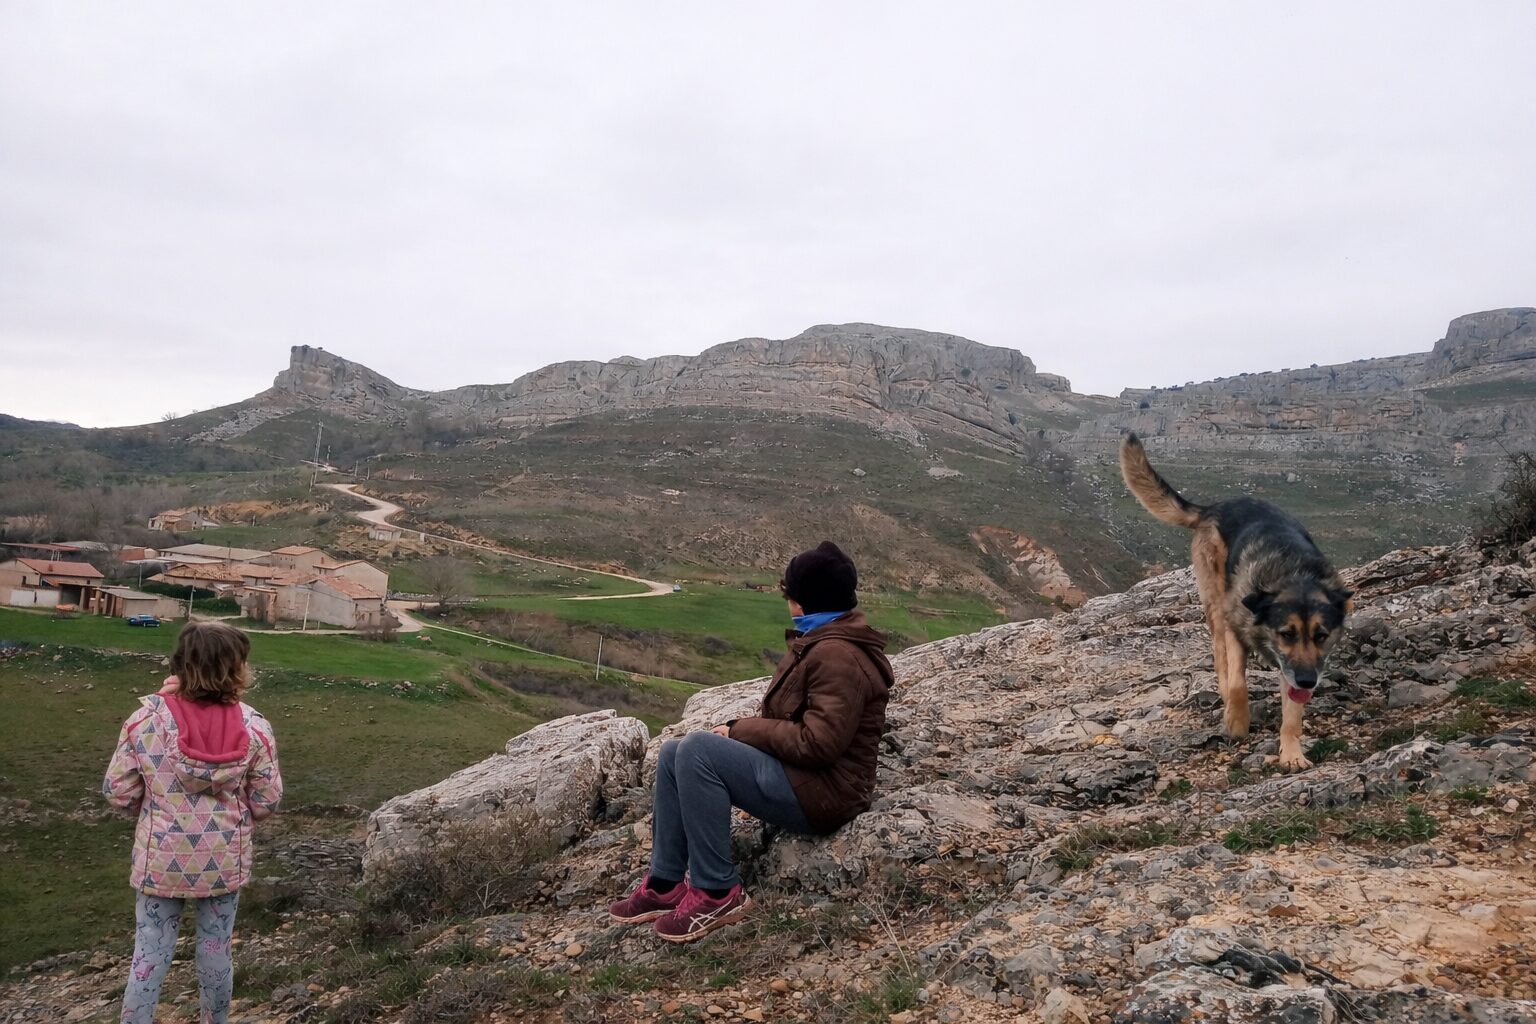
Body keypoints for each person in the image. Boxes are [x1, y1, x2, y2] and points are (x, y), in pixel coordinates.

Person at [610, 540, 894, 943]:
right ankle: (665, 883)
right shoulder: (823, 641)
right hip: (806, 778)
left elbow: (819, 744)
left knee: (697, 750)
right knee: (675, 751)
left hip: (827, 794)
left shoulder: (836, 655)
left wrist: (741, 730)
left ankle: (716, 891)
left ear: (800, 602)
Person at [103, 621, 283, 1024]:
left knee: (149, 952)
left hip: (161, 859)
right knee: (216, 948)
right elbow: (267, 800)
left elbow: (119, 791)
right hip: (222, 860)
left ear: (180, 664)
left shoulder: (144, 721)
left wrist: (155, 809)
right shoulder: (255, 727)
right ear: (236, 668)